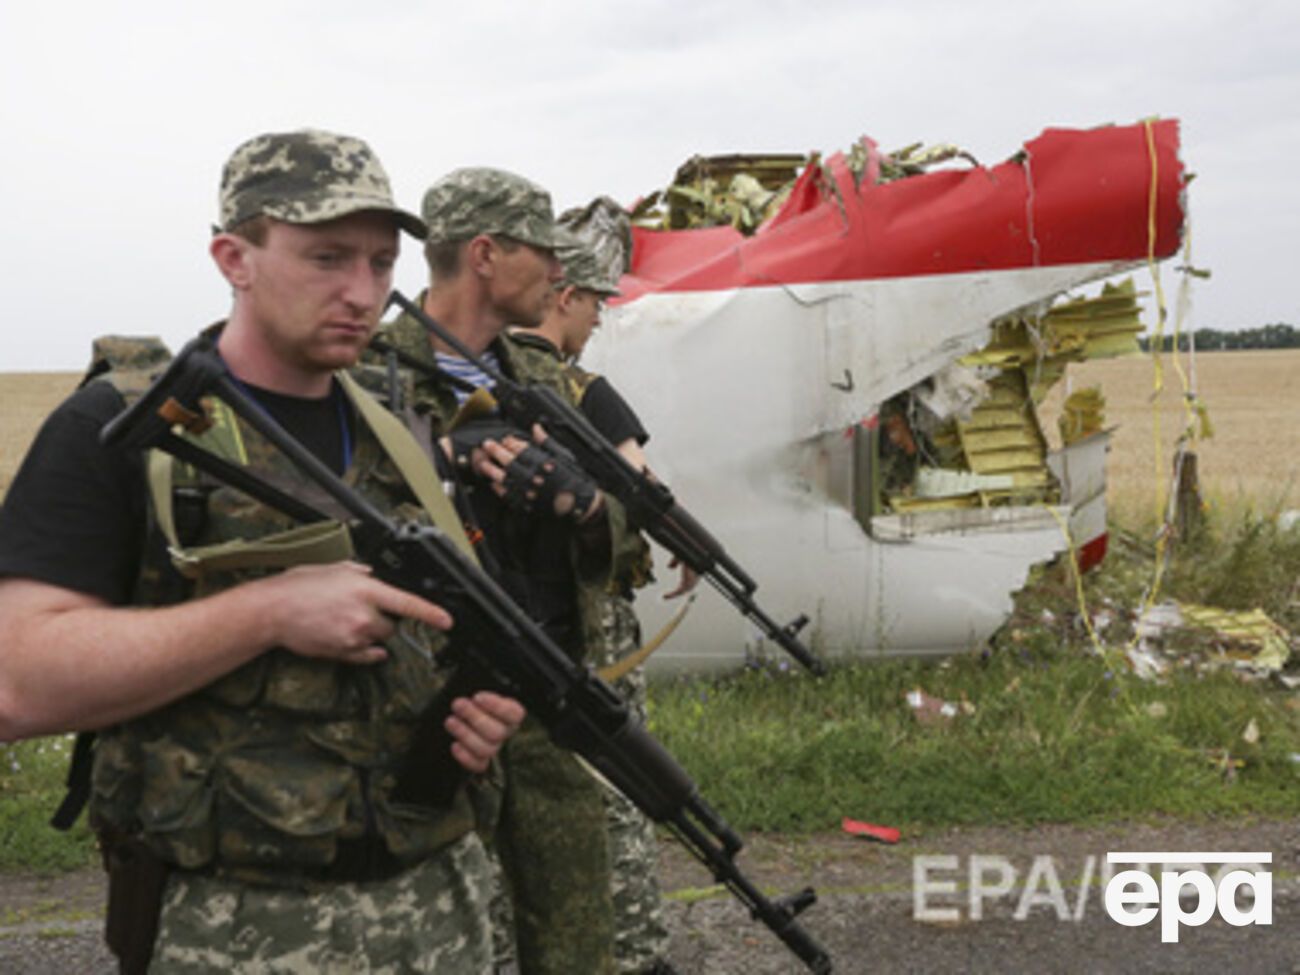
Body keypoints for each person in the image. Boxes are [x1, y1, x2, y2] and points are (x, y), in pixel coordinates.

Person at [0, 130, 524, 974]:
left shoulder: (406, 430)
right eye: (327, 258)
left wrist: (474, 714)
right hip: (233, 927)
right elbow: (16, 682)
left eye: (383, 263)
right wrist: (266, 611)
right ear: (233, 257)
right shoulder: (126, 430)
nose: (363, 291)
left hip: (442, 908)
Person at [368, 168, 649, 975]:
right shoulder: (372, 379)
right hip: (439, 721)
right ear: (486, 255)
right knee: (450, 943)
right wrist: (444, 471)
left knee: (577, 943)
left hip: (551, 702)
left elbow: (628, 545)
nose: (562, 276)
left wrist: (588, 507)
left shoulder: (547, 383)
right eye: (544, 255)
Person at [508, 234, 692, 975]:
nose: (596, 322)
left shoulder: (476, 380)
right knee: (618, 784)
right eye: (592, 305)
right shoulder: (585, 391)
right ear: (563, 298)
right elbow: (641, 486)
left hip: (516, 619)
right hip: (594, 623)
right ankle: (636, 950)